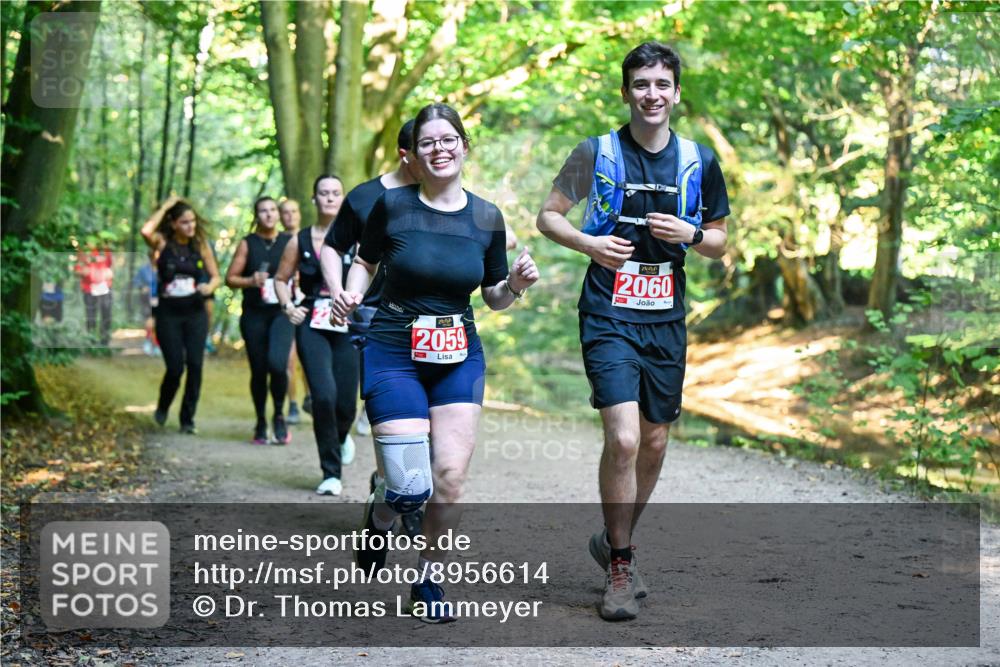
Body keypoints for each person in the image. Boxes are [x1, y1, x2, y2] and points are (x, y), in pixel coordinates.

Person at [536, 42, 730, 620]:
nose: (651, 94)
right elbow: (548, 216)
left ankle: (612, 539)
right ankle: (620, 563)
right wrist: (588, 243)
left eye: (662, 84)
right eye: (640, 84)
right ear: (625, 92)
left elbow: (720, 243)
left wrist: (690, 236)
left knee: (654, 441)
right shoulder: (594, 152)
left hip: (666, 312)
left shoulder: (699, 159)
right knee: (622, 438)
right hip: (608, 309)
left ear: (675, 92)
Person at [331, 103, 539, 623]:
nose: (439, 149)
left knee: (447, 477)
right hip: (394, 348)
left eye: (449, 140)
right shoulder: (392, 205)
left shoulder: (487, 216)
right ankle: (380, 514)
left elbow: (491, 294)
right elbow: (364, 261)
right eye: (428, 143)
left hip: (458, 351)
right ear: (414, 154)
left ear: (465, 147)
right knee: (408, 487)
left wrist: (514, 284)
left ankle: (428, 579)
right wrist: (352, 295)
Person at [321, 119, 420, 498]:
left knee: (428, 412)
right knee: (390, 407)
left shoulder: (443, 196)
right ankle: (395, 487)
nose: (435, 155)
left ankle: (398, 485)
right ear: (405, 153)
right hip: (371, 315)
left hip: (427, 320)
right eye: (424, 147)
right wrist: (338, 292)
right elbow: (333, 245)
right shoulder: (364, 196)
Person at [274, 176, 360, 495]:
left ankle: (340, 435)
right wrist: (288, 307)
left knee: (347, 403)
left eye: (336, 193)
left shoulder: (358, 237)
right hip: (313, 322)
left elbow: (373, 274)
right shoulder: (300, 240)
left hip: (348, 324)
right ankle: (331, 473)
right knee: (323, 395)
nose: (329, 198)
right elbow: (281, 279)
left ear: (343, 198)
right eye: (323, 193)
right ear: (314, 199)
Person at [141, 196, 220, 433]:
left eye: (193, 222)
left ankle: (188, 420)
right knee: (175, 367)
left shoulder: (200, 245)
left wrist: (209, 287)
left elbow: (216, 276)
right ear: (174, 223)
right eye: (185, 222)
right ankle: (164, 405)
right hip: (169, 314)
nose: (190, 226)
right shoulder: (163, 244)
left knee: (195, 365)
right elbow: (146, 230)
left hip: (195, 312)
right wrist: (166, 205)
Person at [225, 197, 295, 445]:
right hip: (254, 313)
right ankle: (260, 421)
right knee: (259, 369)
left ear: (278, 214)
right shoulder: (248, 244)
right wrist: (250, 280)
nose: (268, 215)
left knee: (278, 364)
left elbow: (302, 274)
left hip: (282, 313)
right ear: (256, 216)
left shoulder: (289, 241)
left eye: (272, 210)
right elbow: (230, 278)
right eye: (263, 211)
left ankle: (278, 414)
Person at [279, 198, 306, 424]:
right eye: (285, 213)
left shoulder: (311, 238)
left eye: (293, 211)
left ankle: (311, 398)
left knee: (310, 358)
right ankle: (293, 404)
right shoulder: (277, 243)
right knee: (289, 359)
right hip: (286, 307)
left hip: (310, 305)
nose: (289, 216)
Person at [75, 247, 114, 346]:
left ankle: (104, 341)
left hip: (104, 287)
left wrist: (109, 272)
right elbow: (77, 270)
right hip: (89, 288)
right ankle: (91, 341)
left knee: (106, 315)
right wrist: (82, 271)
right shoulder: (82, 250)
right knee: (91, 317)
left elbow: (110, 266)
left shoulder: (105, 249)